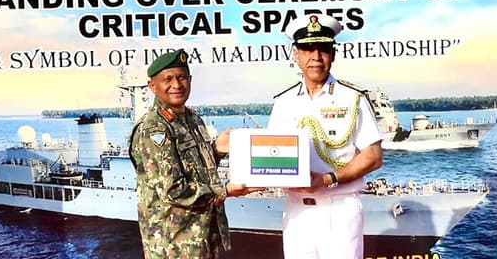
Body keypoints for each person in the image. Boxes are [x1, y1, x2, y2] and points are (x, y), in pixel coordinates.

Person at [266, 15, 383, 259]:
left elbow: (373, 156)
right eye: (308, 49)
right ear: (296, 54)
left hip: (339, 210)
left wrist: (328, 179)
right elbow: (271, 155)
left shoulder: (353, 99)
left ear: (333, 54)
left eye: (323, 49)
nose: (316, 57)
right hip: (297, 212)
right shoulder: (283, 103)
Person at [129, 48, 243, 259]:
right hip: (174, 246)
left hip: (202, 238)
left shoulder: (192, 120)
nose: (177, 85)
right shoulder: (155, 129)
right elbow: (173, 189)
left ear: (190, 80)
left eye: (182, 77)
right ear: (152, 86)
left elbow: (194, 169)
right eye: (168, 79)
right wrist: (224, 191)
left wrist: (217, 150)